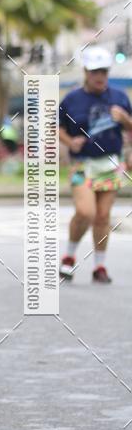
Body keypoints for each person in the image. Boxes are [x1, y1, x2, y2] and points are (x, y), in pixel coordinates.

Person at [59, 45, 132, 283]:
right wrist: (70, 142)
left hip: (110, 163)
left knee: (102, 216)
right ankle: (69, 256)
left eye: (104, 71)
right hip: (82, 164)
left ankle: (99, 266)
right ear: (86, 72)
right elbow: (56, 128)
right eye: (95, 71)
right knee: (86, 212)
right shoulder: (72, 99)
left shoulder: (120, 97)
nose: (100, 76)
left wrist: (125, 119)